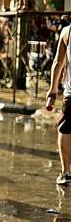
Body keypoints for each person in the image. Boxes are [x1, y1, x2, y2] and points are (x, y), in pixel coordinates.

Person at [46, 23, 71, 185]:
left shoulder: (67, 32)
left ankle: (66, 172)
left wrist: (52, 90)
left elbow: (58, 63)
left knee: (65, 127)